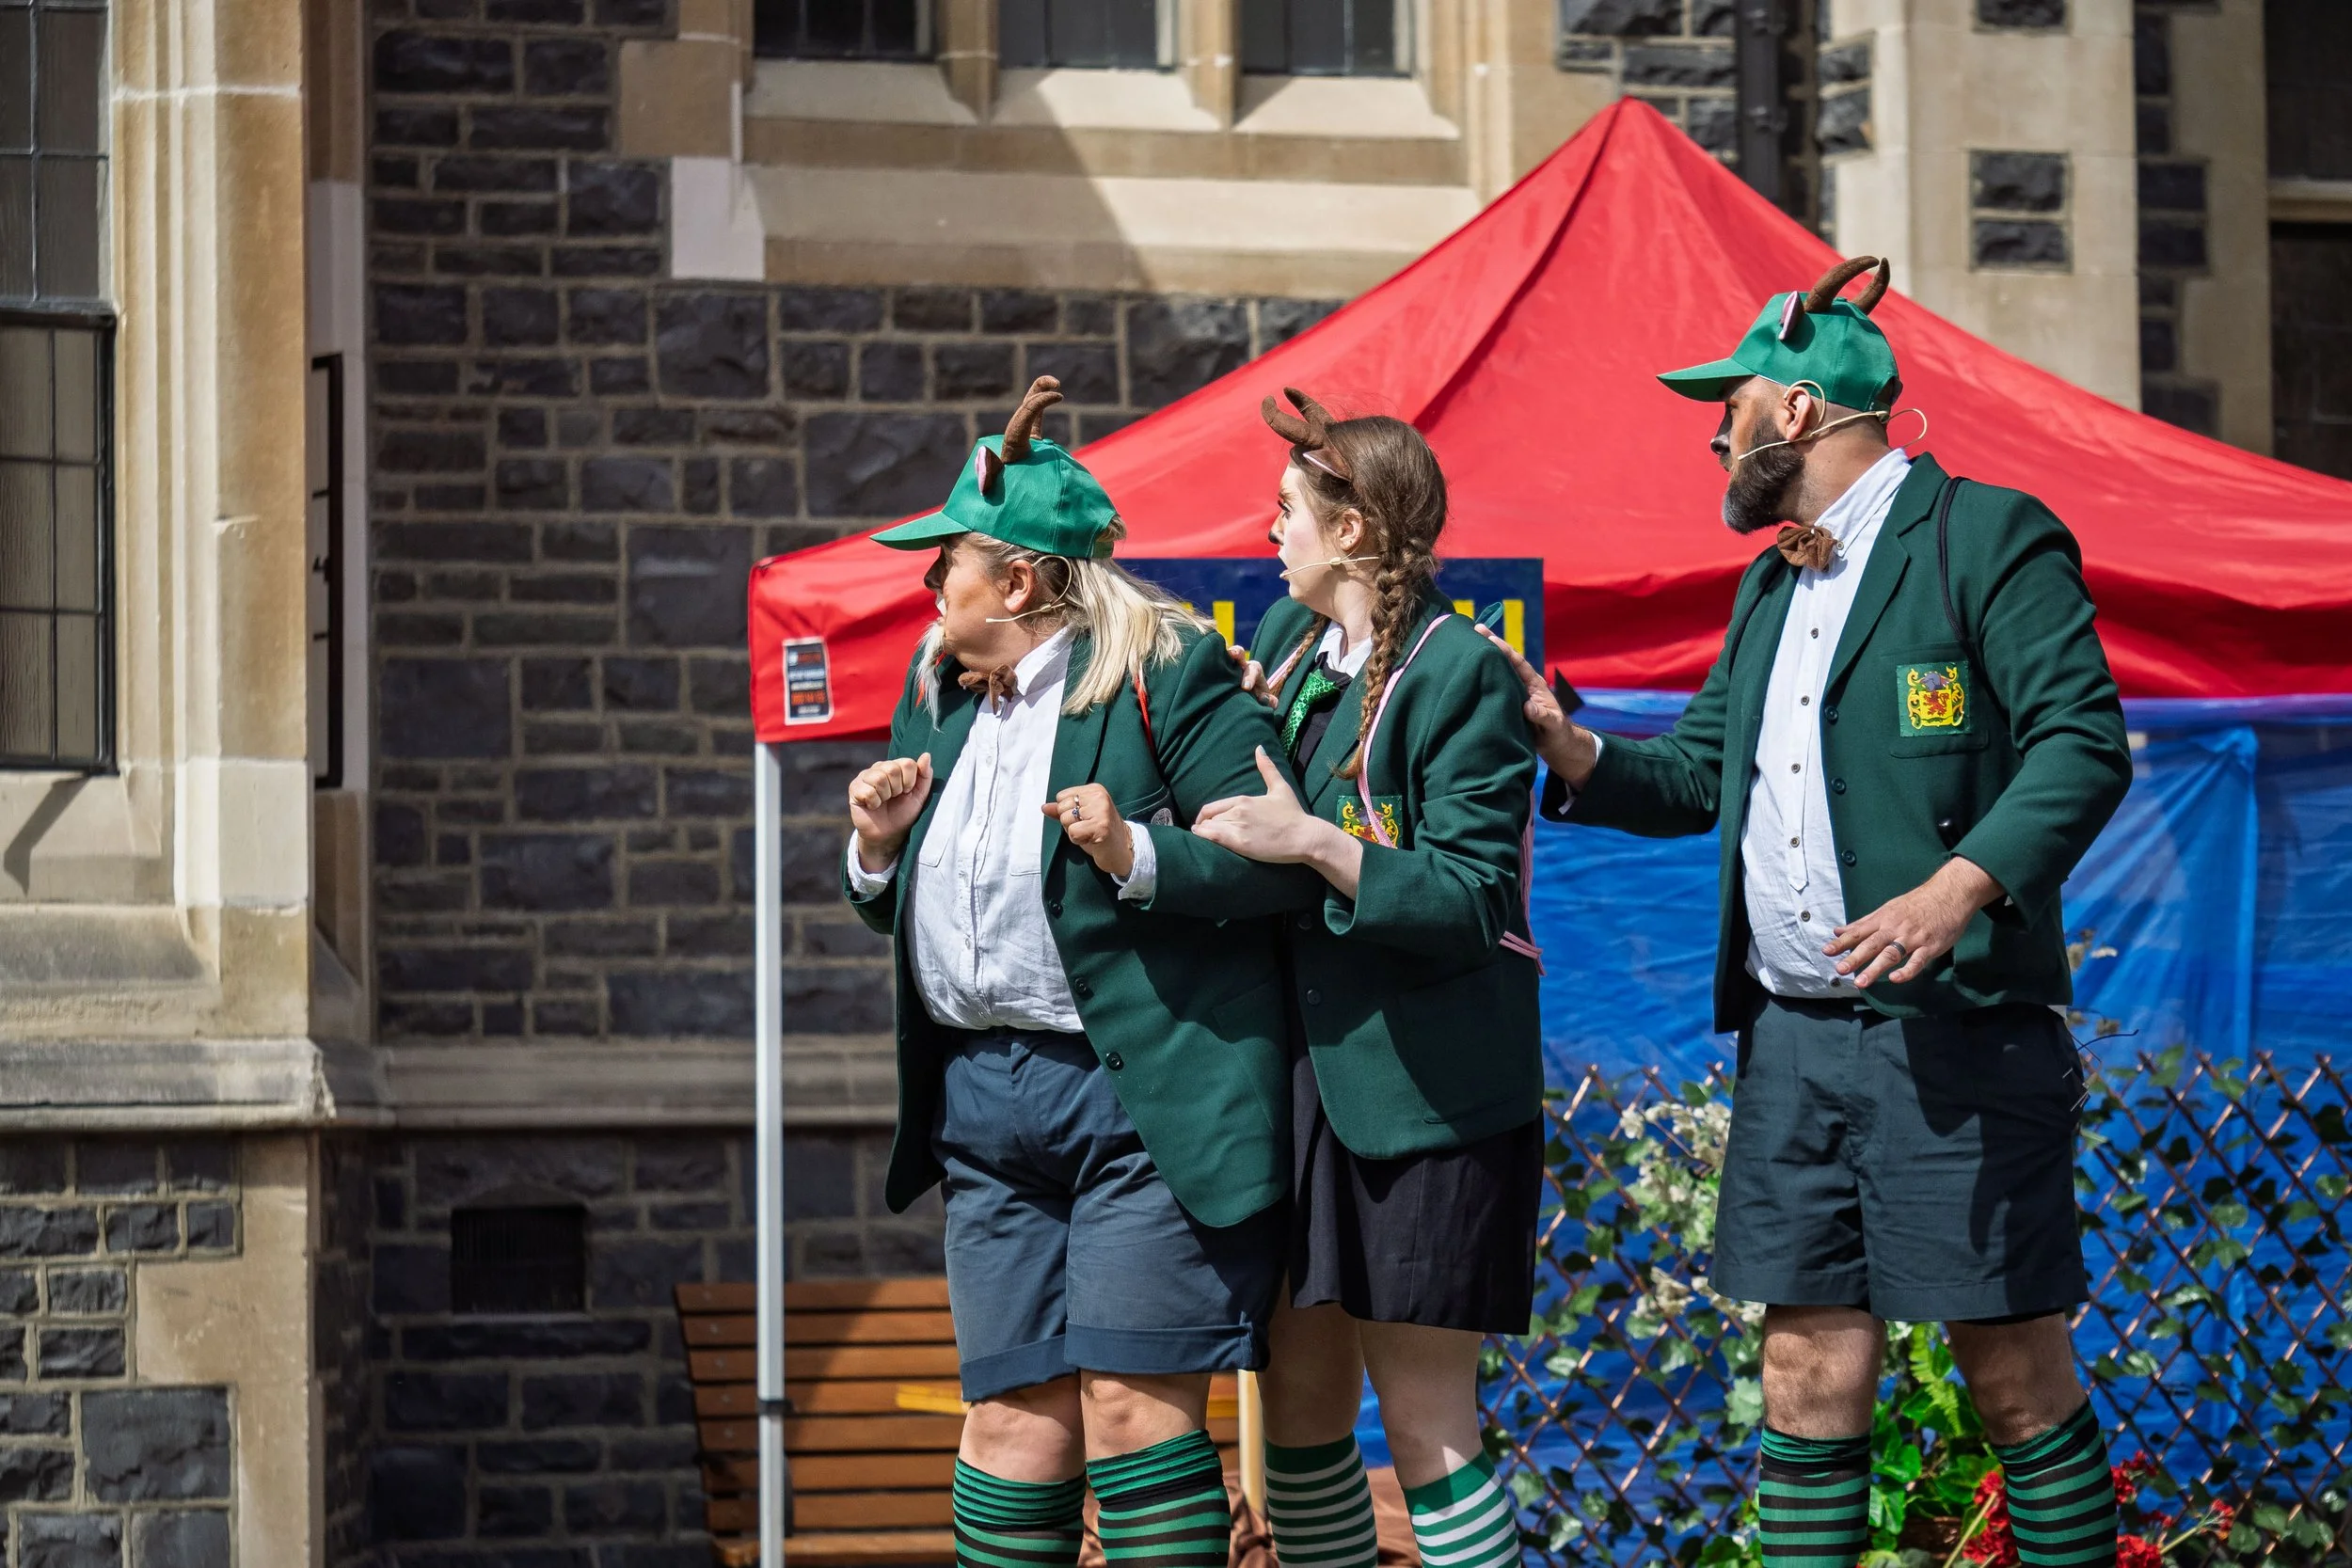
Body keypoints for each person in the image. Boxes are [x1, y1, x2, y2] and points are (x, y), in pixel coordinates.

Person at [1483, 258, 2135, 1568]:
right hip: (1795, 1038)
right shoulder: (1770, 585)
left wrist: (1961, 885)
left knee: (2010, 1367)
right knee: (1803, 1368)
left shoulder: (1987, 535)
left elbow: (2082, 741)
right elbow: (1695, 773)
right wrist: (1569, 745)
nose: (1710, 432)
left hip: (1953, 1033)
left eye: (1728, 404)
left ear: (1797, 411)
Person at [842, 377, 1317, 1568]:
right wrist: (875, 853)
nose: (924, 586)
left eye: (940, 563)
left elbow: (1278, 865)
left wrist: (1134, 849)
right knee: (1007, 1424)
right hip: (983, 1105)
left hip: (1136, 1096)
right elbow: (955, 909)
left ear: (1016, 580)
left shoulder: (1170, 674)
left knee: (1132, 1409)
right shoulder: (937, 697)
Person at [1189, 388, 1543, 1568]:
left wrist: (1321, 845)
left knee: (1427, 1422)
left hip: (1424, 1097)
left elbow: (1477, 899)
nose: (1266, 527)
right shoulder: (1295, 658)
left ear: (1351, 530)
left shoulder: (1463, 673)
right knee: (1296, 1415)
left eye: (1285, 507)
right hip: (1301, 1089)